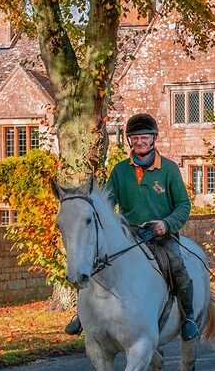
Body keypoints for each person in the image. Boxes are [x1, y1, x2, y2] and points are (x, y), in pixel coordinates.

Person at [65, 113, 200, 341]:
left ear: (153, 138)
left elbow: (183, 205)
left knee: (179, 269)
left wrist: (165, 224)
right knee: (93, 263)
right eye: (134, 138)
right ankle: (83, 314)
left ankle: (188, 318)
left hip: (160, 235)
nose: (139, 142)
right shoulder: (120, 170)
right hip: (129, 234)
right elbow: (107, 204)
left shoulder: (168, 169)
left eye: (144, 137)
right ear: (129, 141)